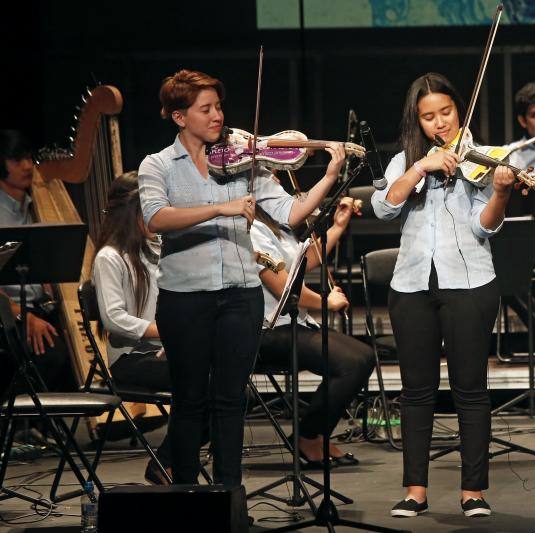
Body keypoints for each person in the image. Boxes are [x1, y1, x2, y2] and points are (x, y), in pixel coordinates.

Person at [137, 69, 345, 487]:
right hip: (185, 298)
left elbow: (290, 213)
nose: (218, 116)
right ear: (180, 117)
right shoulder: (157, 165)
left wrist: (328, 177)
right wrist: (220, 209)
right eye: (206, 109)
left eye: (219, 107)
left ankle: (229, 498)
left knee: (231, 400)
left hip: (239, 296)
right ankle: (186, 495)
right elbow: (156, 217)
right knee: (189, 401)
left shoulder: (241, 163)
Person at [372, 72, 516, 518]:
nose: (441, 123)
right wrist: (421, 167)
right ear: (418, 122)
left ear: (459, 110)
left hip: (470, 281)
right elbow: (383, 207)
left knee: (470, 390)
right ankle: (415, 490)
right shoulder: (405, 161)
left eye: (447, 112)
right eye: (429, 117)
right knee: (416, 392)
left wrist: (502, 193)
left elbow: (484, 226)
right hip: (411, 284)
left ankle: (473, 491)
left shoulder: (483, 160)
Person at [250, 193, 373, 467]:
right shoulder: (251, 228)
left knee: (363, 357)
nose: (279, 182)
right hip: (265, 330)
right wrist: (325, 302)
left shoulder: (274, 223)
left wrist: (338, 226)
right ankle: (308, 437)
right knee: (351, 362)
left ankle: (314, 435)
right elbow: (284, 287)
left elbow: (303, 261)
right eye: (270, 176)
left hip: (292, 324)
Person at [92, 171, 195, 485]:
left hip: (164, 352)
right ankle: (169, 464)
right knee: (201, 383)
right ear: (130, 213)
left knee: (228, 386)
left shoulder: (158, 250)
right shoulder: (110, 258)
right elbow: (113, 318)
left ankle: (173, 463)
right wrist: (166, 332)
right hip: (130, 360)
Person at [0, 129, 73, 396]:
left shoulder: (33, 205)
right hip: (8, 314)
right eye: (17, 160)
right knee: (52, 354)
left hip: (37, 308)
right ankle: (15, 426)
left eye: (29, 158)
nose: (28, 166)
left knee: (83, 339)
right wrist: (23, 315)